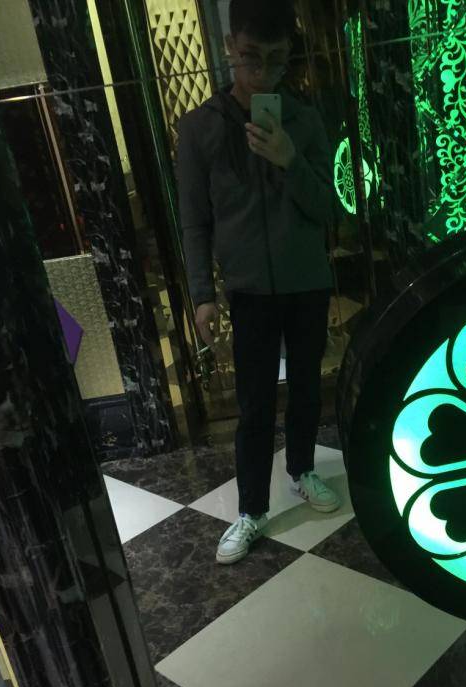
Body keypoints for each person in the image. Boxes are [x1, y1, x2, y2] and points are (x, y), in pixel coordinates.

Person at [177, 0, 340, 565]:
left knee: (307, 389)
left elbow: (327, 208)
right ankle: (250, 509)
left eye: (276, 59)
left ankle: (302, 470)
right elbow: (194, 221)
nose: (263, 72)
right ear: (229, 48)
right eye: (251, 57)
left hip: (306, 282)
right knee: (253, 406)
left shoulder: (306, 120)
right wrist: (202, 295)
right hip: (247, 290)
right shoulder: (199, 129)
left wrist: (291, 160)